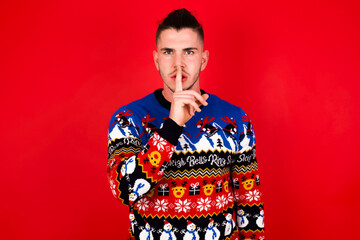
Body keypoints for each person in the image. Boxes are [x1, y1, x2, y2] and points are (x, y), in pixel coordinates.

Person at [107, 8, 265, 240]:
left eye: (189, 52)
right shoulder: (128, 118)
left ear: (204, 59)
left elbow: (249, 205)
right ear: (156, 59)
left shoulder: (235, 119)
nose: (178, 64)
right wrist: (172, 125)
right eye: (168, 52)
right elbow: (125, 191)